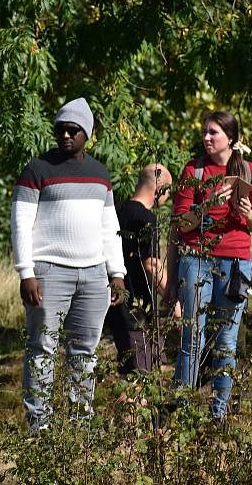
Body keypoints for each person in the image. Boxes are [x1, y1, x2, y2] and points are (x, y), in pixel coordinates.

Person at [10, 97, 127, 431]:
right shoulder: (37, 169)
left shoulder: (100, 174)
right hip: (48, 271)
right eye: (60, 129)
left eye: (73, 130)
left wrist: (116, 273)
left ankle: (79, 426)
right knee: (42, 346)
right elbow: (20, 222)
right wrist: (26, 272)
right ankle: (39, 426)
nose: (65, 136)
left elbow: (110, 227)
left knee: (84, 351)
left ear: (86, 134)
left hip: (93, 275)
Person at [166, 110, 252, 420]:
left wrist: (246, 212)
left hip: (236, 265)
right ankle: (182, 410)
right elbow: (180, 225)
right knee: (192, 337)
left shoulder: (249, 173)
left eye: (214, 133)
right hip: (197, 259)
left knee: (226, 342)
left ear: (231, 139)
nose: (206, 137)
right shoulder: (194, 171)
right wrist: (208, 204)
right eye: (205, 132)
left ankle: (218, 414)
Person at [104, 163, 176, 375]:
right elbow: (152, 265)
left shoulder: (116, 211)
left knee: (145, 369)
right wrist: (172, 295)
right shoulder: (147, 219)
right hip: (137, 310)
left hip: (116, 304)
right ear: (160, 189)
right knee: (138, 376)